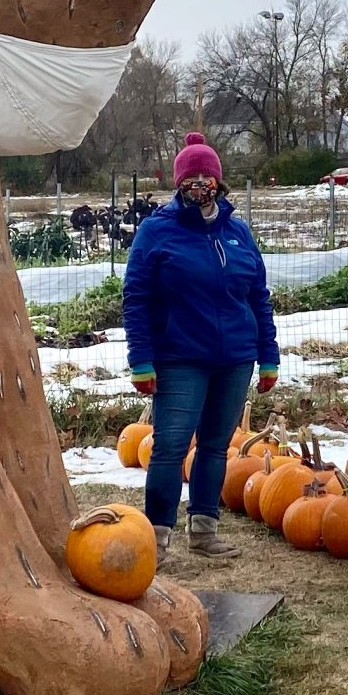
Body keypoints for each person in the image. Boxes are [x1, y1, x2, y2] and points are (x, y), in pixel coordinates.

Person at [122, 132, 280, 560]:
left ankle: (204, 530)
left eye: (205, 176)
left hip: (235, 359)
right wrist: (140, 360)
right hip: (179, 359)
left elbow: (257, 297)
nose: (199, 184)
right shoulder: (157, 232)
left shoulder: (238, 233)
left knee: (215, 445)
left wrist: (269, 356)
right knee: (171, 445)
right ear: (177, 184)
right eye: (190, 177)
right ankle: (156, 536)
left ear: (219, 182)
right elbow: (136, 299)